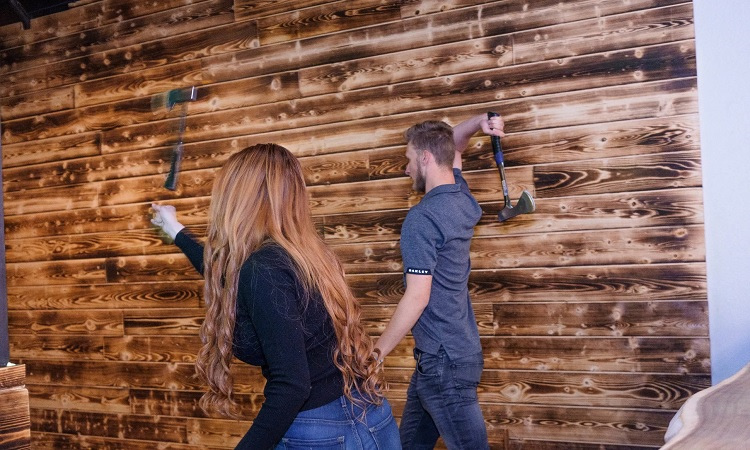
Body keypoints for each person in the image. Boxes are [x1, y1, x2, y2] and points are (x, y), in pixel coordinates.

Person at [151, 144, 401, 450]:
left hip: (322, 432)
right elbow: (227, 274)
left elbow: (292, 386)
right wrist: (175, 231)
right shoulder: (304, 256)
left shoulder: (263, 269)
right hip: (371, 412)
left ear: (238, 198)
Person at [372, 114, 506, 449]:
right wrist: (478, 123)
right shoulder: (462, 197)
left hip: (444, 363)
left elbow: (417, 297)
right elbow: (452, 143)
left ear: (425, 158)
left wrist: (375, 354)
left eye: (408, 160)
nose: (406, 169)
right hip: (445, 357)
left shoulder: (422, 218)